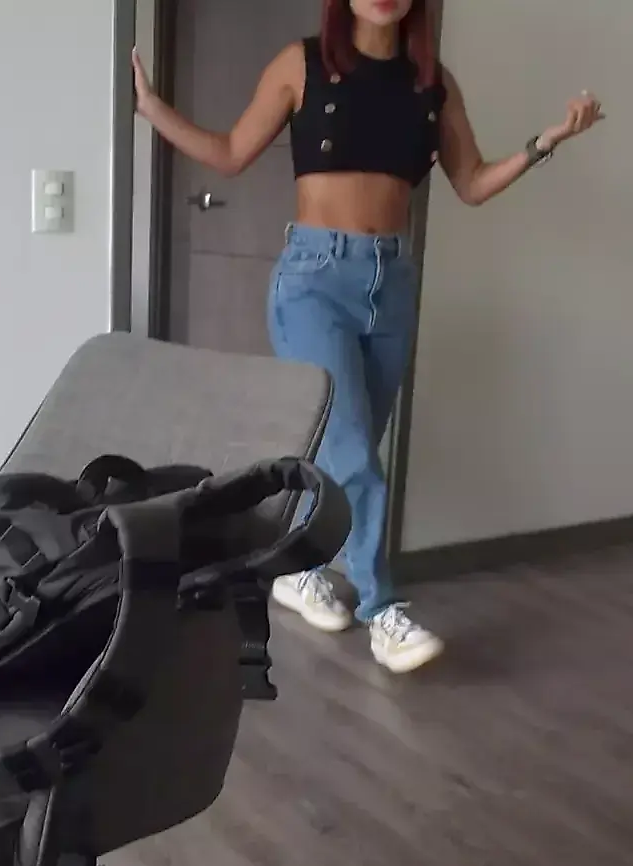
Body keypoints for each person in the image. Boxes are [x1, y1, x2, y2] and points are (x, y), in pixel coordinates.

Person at [132, 0, 602, 674]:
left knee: (350, 450)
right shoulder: (300, 65)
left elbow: (471, 183)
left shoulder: (432, 82)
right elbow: (231, 152)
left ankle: (301, 569)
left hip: (392, 284)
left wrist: (545, 141)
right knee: (354, 450)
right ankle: (384, 612)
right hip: (313, 282)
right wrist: (152, 108)